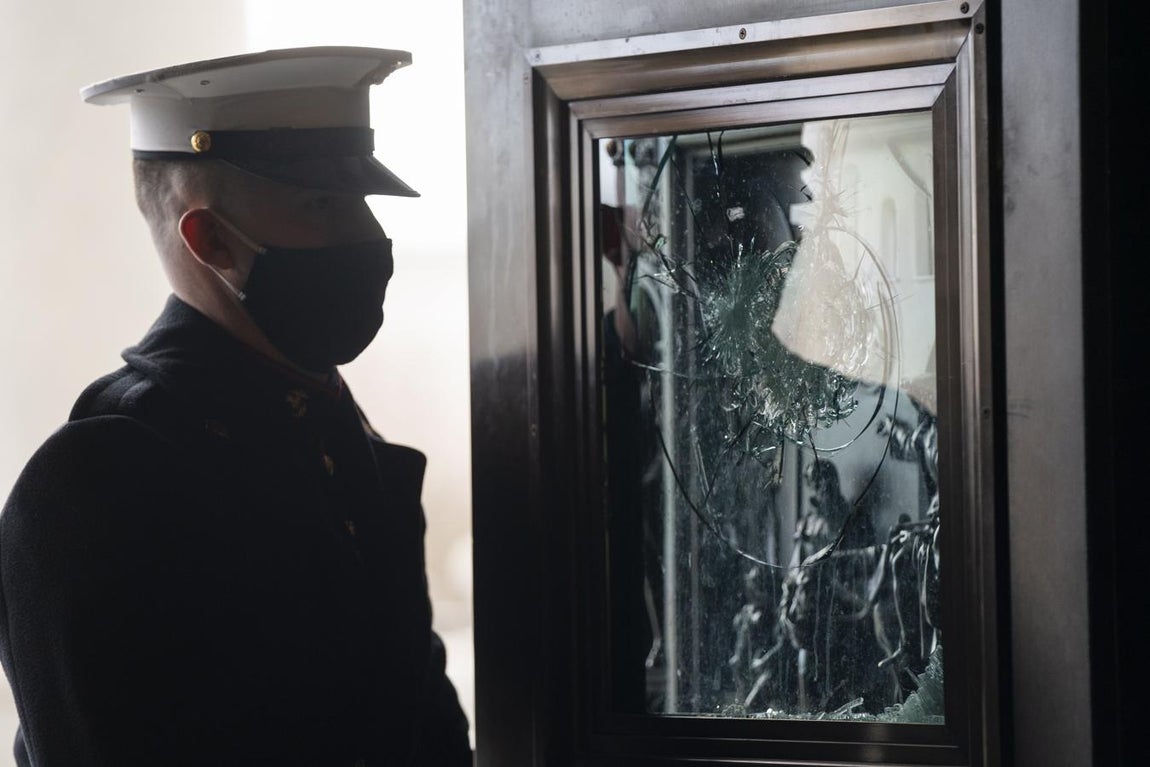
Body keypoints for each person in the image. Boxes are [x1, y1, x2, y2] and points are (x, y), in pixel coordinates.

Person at [0, 47, 471, 766]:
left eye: (363, 201)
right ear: (210, 238)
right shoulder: (97, 482)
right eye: (321, 205)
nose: (368, 236)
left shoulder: (339, 438)